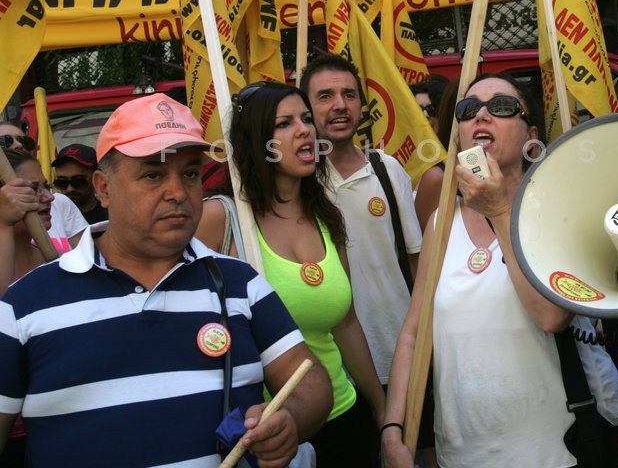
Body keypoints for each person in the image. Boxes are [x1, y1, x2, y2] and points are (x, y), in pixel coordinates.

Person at [0, 93, 332, 467]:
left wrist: (290, 419)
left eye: (190, 173)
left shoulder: (240, 283)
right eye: (153, 175)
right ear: (103, 188)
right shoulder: (24, 305)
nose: (178, 193)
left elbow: (310, 381)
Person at [381, 74, 588, 468]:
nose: (483, 116)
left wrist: (498, 210)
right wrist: (391, 429)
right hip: (459, 455)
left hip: (548, 453)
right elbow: (412, 334)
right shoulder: (441, 221)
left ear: (531, 136)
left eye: (502, 107)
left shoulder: (557, 211)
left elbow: (551, 316)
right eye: (469, 109)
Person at [195, 80, 386, 468]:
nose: (304, 130)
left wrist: (383, 413)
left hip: (347, 419)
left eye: (304, 119)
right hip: (267, 439)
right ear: (256, 141)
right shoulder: (220, 220)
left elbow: (346, 325)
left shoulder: (327, 216)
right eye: (284, 123)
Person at [300, 54, 422, 387]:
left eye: (349, 95)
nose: (340, 105)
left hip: (402, 356)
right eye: (325, 96)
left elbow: (415, 261)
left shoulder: (387, 169)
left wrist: (427, 338)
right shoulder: (297, 184)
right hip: (334, 372)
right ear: (305, 110)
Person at [0, 150, 55, 468]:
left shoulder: (62, 253)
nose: (48, 197)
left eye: (47, 186)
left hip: (51, 422)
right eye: (33, 189)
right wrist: (4, 226)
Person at [0, 122, 87, 253]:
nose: (18, 145)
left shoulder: (62, 259)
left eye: (24, 140)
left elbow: (87, 256)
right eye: (5, 141)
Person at [413, 76, 460, 232]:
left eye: (431, 109)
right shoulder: (400, 160)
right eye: (418, 110)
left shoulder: (453, 163)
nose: (425, 116)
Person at [51, 143, 107, 224]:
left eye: (78, 181)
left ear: (96, 179)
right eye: (62, 183)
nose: (69, 189)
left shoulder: (113, 218)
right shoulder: (50, 221)